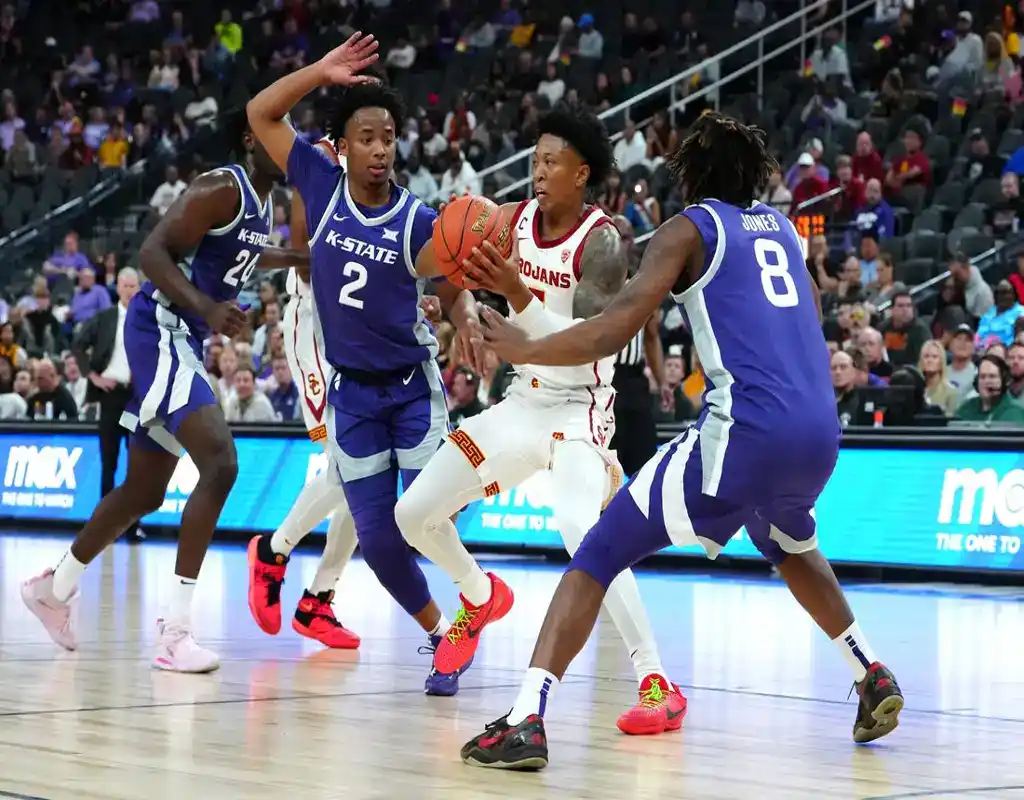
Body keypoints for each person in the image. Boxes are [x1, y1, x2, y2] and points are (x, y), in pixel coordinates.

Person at [461, 112, 903, 769]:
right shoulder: (782, 229)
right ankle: (871, 674)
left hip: (745, 433)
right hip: (818, 432)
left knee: (599, 549)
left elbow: (612, 327)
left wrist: (530, 343)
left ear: (691, 173)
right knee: (787, 542)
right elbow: (808, 315)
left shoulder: (688, 228)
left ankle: (525, 719)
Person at [396, 104, 681, 734]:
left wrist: (518, 298)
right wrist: (463, 313)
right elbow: (449, 277)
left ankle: (657, 681)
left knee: (587, 536)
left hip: (580, 412)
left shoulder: (603, 242)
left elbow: (592, 343)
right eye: (535, 160)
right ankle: (478, 595)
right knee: (412, 514)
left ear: (583, 173)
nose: (540, 171)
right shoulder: (508, 220)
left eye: (553, 162)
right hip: (522, 401)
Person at [245, 34, 505, 696]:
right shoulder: (318, 182)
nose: (381, 148)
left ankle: (478, 594)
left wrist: (465, 311)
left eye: (388, 136)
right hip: (352, 397)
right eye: (367, 136)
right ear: (342, 146)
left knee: (419, 517)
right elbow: (260, 114)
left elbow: (449, 275)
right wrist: (319, 72)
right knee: (382, 546)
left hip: (411, 389)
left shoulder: (418, 218)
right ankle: (448, 630)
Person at [21, 114, 305, 673]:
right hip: (162, 328)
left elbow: (246, 255)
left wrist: (297, 258)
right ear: (250, 139)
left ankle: (54, 588)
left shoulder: (263, 204)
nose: (288, 146)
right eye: (277, 134)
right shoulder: (222, 186)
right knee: (220, 463)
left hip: (185, 335)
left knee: (145, 493)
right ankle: (175, 633)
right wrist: (207, 308)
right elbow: (152, 252)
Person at [248, 134, 362, 652]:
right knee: (346, 466)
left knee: (370, 484)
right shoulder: (320, 158)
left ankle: (319, 598)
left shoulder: (377, 170)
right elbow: (301, 255)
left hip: (355, 329)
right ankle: (273, 551)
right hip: (315, 324)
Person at [72, 267, 145, 543]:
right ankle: (104, 527)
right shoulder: (105, 318)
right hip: (111, 396)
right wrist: (94, 377)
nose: (130, 291)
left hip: (136, 399)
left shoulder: (146, 319)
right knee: (109, 462)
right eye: (126, 286)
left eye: (134, 286)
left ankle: (133, 526)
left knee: (138, 466)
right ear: (118, 288)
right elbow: (77, 345)